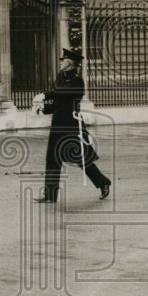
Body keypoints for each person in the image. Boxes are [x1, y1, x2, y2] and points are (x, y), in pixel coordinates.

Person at [37, 48, 111, 203]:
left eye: (63, 60)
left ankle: (103, 182)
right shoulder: (60, 76)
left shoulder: (77, 80)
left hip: (71, 124)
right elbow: (58, 102)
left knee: (80, 158)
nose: (61, 62)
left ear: (70, 64)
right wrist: (43, 109)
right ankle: (50, 194)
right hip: (58, 123)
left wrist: (45, 95)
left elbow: (61, 94)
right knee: (52, 158)